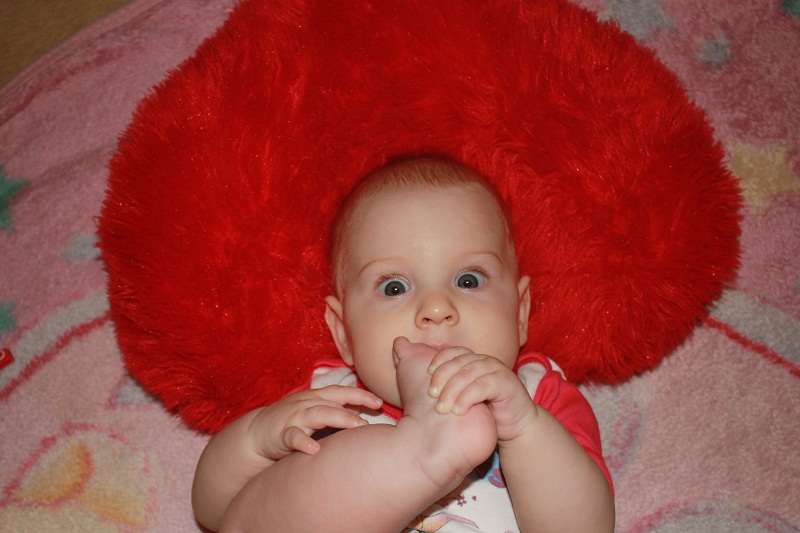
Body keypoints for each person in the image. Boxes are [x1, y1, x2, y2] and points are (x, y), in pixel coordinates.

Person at [192, 158, 615, 532]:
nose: (436, 308)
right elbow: (215, 512)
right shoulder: (331, 402)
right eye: (394, 287)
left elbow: (585, 527)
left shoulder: (535, 399)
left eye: (469, 280)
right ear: (344, 333)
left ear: (520, 313)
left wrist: (522, 427)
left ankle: (426, 451)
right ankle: (421, 453)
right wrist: (255, 440)